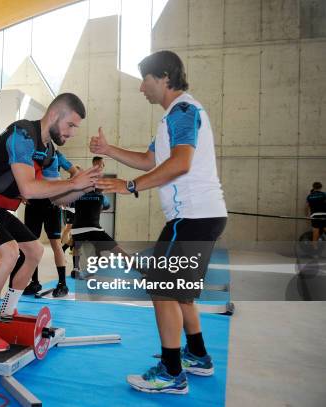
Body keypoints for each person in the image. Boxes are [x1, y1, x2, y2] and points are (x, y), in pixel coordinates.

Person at [91, 50, 227, 394]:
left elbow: (181, 164)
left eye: (145, 79)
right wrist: (109, 150)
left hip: (191, 216)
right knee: (180, 294)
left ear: (164, 77)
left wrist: (130, 186)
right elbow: (150, 159)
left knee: (161, 289)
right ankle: (197, 355)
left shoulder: (182, 111)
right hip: (202, 215)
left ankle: (170, 374)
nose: (141, 88)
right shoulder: (174, 116)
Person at [0, 93, 101, 352]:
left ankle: (6, 308)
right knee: (8, 253)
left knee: (35, 250)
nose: (73, 132)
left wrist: (89, 187)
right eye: (70, 125)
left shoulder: (48, 151)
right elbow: (29, 190)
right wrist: (74, 182)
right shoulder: (22, 135)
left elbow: (57, 196)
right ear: (54, 115)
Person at [18, 150, 79, 298]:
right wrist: (19, 193)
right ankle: (35, 282)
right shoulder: (29, 152)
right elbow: (19, 174)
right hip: (33, 203)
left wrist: (64, 193)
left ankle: (62, 284)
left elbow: (75, 172)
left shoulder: (57, 154)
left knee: (56, 244)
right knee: (30, 245)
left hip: (51, 205)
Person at [69, 156, 118, 279]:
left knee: (91, 242)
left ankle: (94, 262)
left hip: (90, 220)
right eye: (98, 164)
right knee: (78, 244)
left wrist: (97, 206)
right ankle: (77, 267)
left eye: (101, 165)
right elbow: (71, 201)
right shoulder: (86, 179)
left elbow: (105, 203)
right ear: (94, 163)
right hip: (83, 219)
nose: (99, 167)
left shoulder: (99, 187)